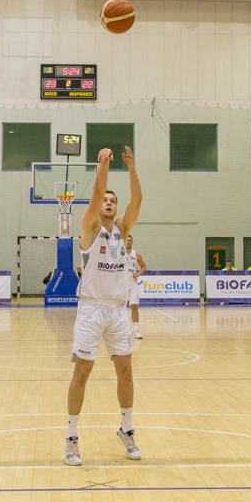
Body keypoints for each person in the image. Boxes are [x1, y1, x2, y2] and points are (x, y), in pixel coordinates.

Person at [64, 146, 142, 467]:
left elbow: (136, 201)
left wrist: (131, 166)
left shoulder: (123, 231)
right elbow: (97, 191)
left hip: (116, 310)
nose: (109, 203)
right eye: (106, 201)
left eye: (113, 201)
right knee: (83, 371)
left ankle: (127, 429)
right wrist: (103, 165)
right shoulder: (91, 228)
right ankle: (71, 438)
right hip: (92, 308)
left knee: (125, 371)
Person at [125, 234, 146, 340]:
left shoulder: (136, 254)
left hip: (133, 283)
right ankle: (121, 331)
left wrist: (138, 273)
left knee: (134, 306)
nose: (128, 242)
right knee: (119, 307)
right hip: (121, 283)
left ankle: (136, 331)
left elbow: (144, 266)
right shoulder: (118, 253)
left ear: (132, 242)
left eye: (130, 240)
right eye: (127, 240)